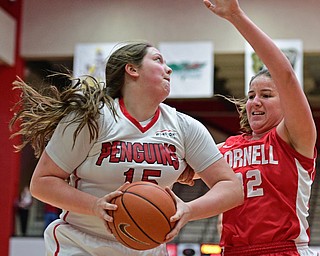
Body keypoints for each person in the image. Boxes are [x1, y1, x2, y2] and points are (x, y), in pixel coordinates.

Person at [9, 42, 243, 255]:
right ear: (132, 69)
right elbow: (42, 183)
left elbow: (232, 188)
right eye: (158, 60)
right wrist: (94, 205)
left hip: (147, 247)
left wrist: (190, 209)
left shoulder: (185, 127)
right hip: (82, 243)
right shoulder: (90, 119)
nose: (169, 69)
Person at [202, 0, 318, 255]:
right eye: (251, 95)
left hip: (283, 249)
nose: (255, 101)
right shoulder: (226, 148)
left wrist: (236, 17)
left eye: (266, 95)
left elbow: (285, 75)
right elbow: (179, 170)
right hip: (232, 251)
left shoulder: (294, 138)